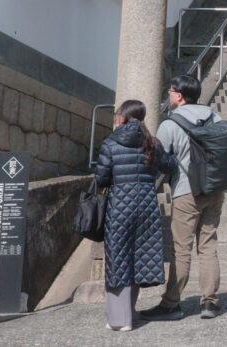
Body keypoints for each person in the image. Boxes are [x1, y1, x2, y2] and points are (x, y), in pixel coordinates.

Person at [141, 76, 227, 322]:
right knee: (208, 246)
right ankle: (209, 302)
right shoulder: (215, 118)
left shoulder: (170, 124)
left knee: (181, 249)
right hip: (214, 189)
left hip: (185, 191)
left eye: (170, 91)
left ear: (179, 95)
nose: (169, 95)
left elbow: (159, 159)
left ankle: (171, 304)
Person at [94, 100, 175, 332]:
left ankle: (120, 319)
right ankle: (130, 312)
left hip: (120, 206)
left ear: (122, 117)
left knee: (118, 257)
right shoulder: (152, 142)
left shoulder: (111, 142)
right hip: (148, 207)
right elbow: (169, 165)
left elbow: (101, 178)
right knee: (139, 258)